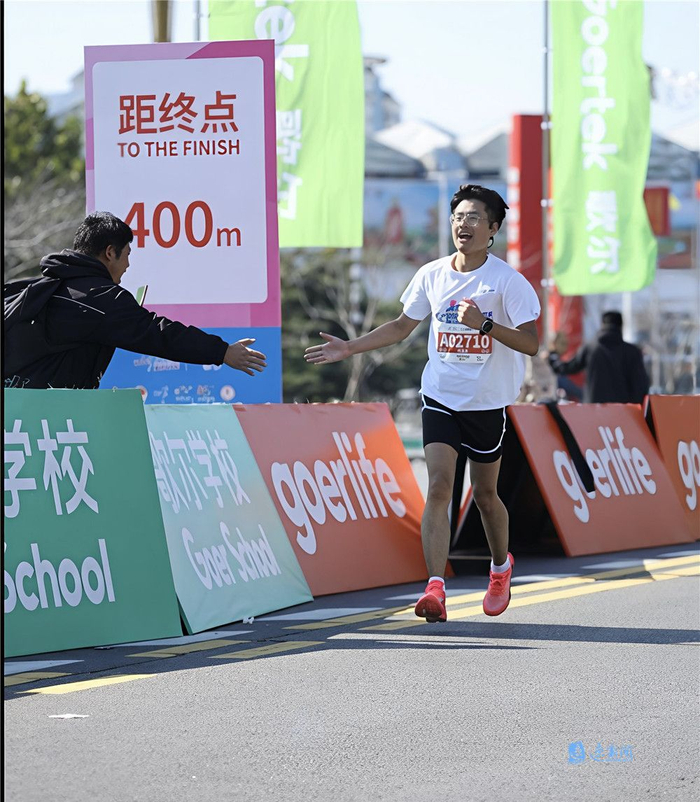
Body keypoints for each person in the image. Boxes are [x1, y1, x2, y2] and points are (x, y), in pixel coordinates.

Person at [305, 184, 540, 623]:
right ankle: (435, 587)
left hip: (486, 403)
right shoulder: (432, 274)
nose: (464, 224)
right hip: (440, 396)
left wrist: (485, 325)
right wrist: (349, 348)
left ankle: (500, 568)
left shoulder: (507, 281)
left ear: (492, 228)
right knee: (438, 487)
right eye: (458, 217)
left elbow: (531, 343)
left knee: (486, 495)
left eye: (474, 217)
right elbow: (400, 326)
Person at [3, 211, 266, 390]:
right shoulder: (102, 299)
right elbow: (159, 334)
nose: (128, 265)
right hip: (47, 419)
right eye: (127, 254)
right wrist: (222, 352)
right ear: (110, 253)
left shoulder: (45, 286)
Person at [547, 311, 649, 404]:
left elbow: (567, 368)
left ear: (602, 325)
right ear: (621, 326)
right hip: (623, 410)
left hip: (593, 409)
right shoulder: (632, 352)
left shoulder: (590, 348)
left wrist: (552, 356)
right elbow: (641, 384)